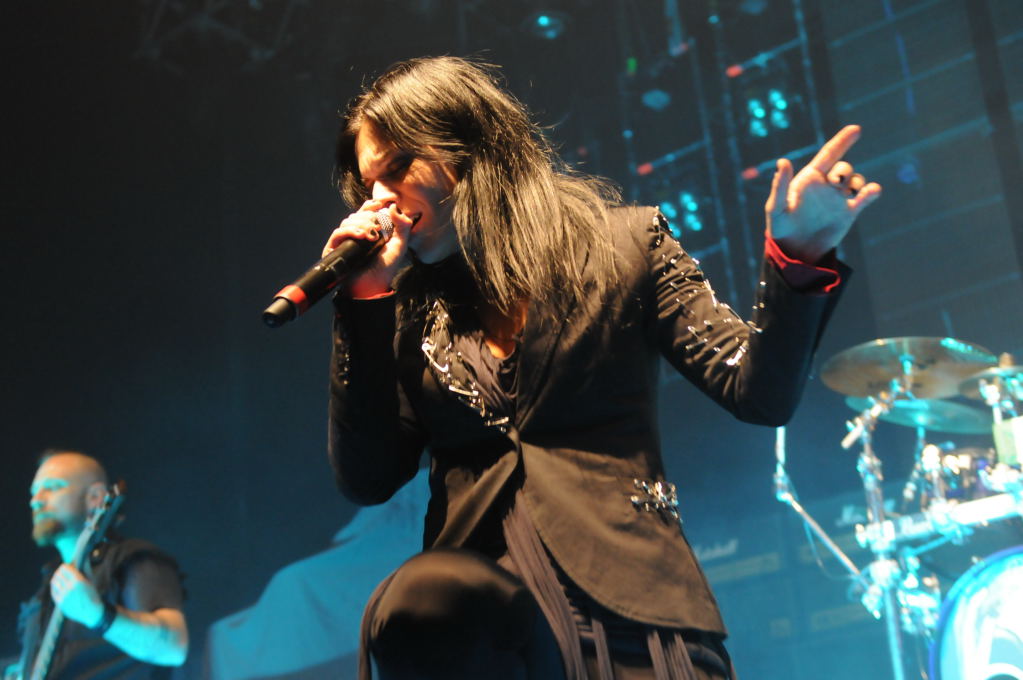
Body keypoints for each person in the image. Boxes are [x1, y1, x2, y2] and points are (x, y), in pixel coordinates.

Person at [324, 56, 881, 680]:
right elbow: (368, 477)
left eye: (397, 167)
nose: (380, 198)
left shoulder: (626, 245)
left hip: (633, 611)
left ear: (469, 145)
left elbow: (757, 391)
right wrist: (362, 303)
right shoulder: (404, 311)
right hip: (483, 636)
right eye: (369, 185)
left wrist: (797, 258)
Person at [7, 450, 188, 680]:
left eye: (52, 487)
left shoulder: (130, 560)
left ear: (95, 497)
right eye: (34, 492)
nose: (36, 500)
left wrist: (98, 615)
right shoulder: (44, 592)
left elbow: (173, 648)